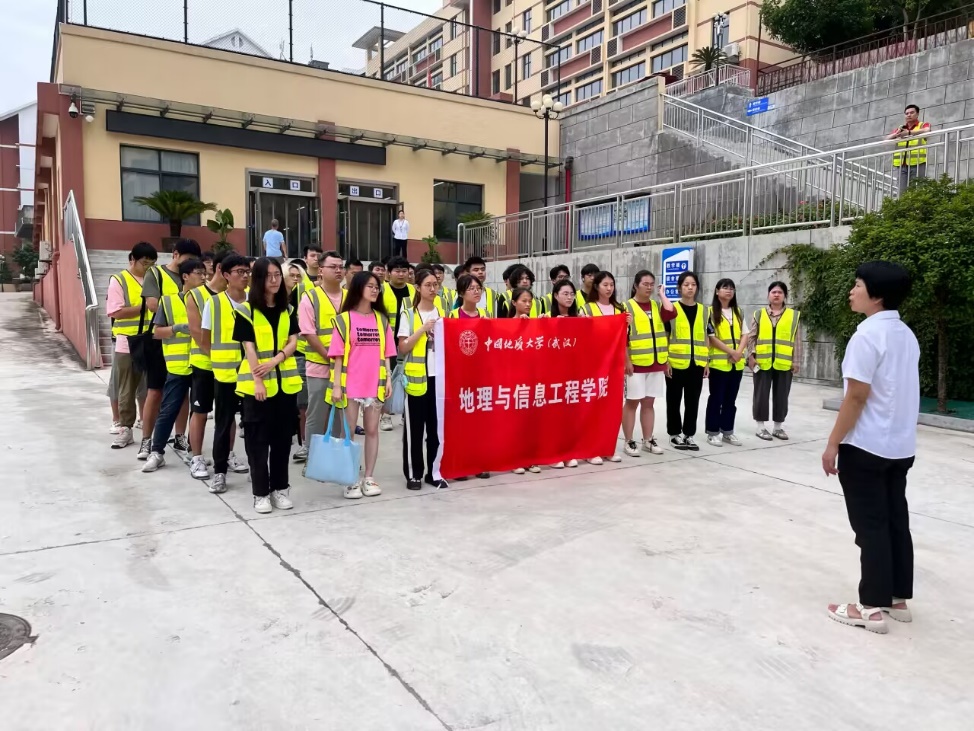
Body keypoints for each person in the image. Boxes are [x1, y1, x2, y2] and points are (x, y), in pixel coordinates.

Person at [823, 262, 919, 635]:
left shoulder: (866, 336)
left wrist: (833, 442)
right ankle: (897, 598)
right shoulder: (906, 335)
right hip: (900, 446)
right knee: (895, 520)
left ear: (876, 296)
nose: (852, 291)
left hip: (866, 446)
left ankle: (869, 607)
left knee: (871, 526)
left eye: (858, 285)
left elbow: (857, 396)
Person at [234, 257, 301, 514]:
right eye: (268, 276)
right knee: (258, 442)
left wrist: (275, 360)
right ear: (258, 279)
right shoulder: (246, 310)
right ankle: (260, 493)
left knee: (282, 441)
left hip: (285, 385)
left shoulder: (288, 309)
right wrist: (258, 380)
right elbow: (249, 348)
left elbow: (293, 342)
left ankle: (280, 489)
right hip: (258, 387)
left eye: (277, 275)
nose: (274, 280)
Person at [327, 271, 396, 499]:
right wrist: (337, 386)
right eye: (370, 286)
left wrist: (388, 378)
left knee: (372, 430)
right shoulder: (343, 319)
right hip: (350, 385)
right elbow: (337, 356)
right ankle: (350, 479)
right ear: (358, 288)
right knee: (349, 433)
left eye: (377, 287)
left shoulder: (382, 320)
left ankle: (368, 477)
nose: (375, 290)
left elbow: (387, 353)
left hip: (375, 384)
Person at [142, 259, 207, 473]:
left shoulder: (208, 300)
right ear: (185, 276)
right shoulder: (168, 301)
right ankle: (156, 452)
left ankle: (194, 453)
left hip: (201, 364)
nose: (203, 277)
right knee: (169, 409)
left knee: (198, 411)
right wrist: (177, 328)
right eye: (199, 273)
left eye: (205, 273)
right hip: (178, 366)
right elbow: (156, 332)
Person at [200, 254, 251, 494]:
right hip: (225, 375)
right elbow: (205, 340)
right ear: (226, 275)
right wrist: (219, 361)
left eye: (247, 271)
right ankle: (220, 472)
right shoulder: (214, 303)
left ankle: (256, 469)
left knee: (253, 425)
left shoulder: (255, 301)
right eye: (239, 272)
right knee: (223, 424)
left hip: (252, 375)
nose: (245, 276)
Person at [398, 270, 448, 490]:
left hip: (439, 379)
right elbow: (403, 347)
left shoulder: (443, 312)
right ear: (417, 287)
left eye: (435, 284)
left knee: (436, 430)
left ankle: (434, 472)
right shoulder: (408, 314)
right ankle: (414, 474)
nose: (433, 288)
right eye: (428, 285)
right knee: (415, 430)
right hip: (416, 379)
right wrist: (422, 329)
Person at [107, 242, 156, 449]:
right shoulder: (120, 280)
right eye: (144, 263)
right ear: (133, 260)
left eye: (152, 264)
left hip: (152, 339)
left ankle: (149, 429)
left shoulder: (155, 279)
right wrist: (146, 306)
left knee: (151, 388)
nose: (148, 267)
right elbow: (116, 312)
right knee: (126, 388)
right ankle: (125, 428)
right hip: (127, 342)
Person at [183, 249, 227, 479]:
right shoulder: (196, 295)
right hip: (204, 364)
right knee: (200, 411)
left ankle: (227, 455)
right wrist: (215, 357)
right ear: (220, 269)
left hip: (230, 366)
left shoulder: (238, 295)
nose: (243, 276)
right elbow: (197, 332)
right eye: (237, 271)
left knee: (227, 413)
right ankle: (197, 457)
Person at [623, 271, 676, 457]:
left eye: (652, 284)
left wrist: (662, 295)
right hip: (636, 364)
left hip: (656, 362)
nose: (649, 287)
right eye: (645, 284)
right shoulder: (626, 307)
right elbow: (623, 337)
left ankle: (647, 440)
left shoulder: (656, 305)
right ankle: (629, 441)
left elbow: (671, 312)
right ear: (636, 285)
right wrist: (627, 360)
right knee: (632, 403)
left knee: (649, 403)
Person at [446, 274, 491, 482]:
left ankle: (479, 463)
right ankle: (461, 465)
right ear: (462, 293)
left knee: (480, 423)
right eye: (471, 288)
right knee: (459, 423)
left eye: (478, 288)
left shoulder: (486, 314)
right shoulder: (453, 316)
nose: (476, 291)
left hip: (481, 375)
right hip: (459, 376)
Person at [300, 250, 346, 450]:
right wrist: (331, 358)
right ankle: (312, 455)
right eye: (333, 267)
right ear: (320, 270)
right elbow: (309, 333)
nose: (338, 270)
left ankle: (335, 456)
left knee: (340, 415)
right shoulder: (310, 297)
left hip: (345, 369)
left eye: (341, 267)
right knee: (316, 415)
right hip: (319, 366)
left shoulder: (350, 297)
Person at [580, 271, 625, 464]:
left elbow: (625, 338)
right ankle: (591, 450)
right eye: (605, 285)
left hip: (615, 365)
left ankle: (608, 447)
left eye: (612, 285)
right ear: (597, 286)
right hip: (594, 365)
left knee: (612, 408)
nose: (609, 288)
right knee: (594, 408)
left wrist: (627, 324)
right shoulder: (587, 308)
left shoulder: (619, 309)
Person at [749, 281, 801, 441]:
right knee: (760, 395)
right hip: (762, 362)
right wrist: (750, 356)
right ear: (768, 295)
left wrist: (796, 361)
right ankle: (760, 427)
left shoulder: (793, 316)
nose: (776, 295)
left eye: (780, 292)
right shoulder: (759, 314)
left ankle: (778, 428)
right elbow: (751, 337)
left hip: (784, 363)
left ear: (785, 295)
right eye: (773, 292)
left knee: (782, 396)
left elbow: (797, 340)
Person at [665, 271, 709, 452]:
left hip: (697, 364)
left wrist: (706, 362)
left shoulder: (704, 310)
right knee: (673, 400)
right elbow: (665, 336)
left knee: (693, 401)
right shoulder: (671, 309)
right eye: (686, 285)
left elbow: (706, 337)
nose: (690, 288)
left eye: (693, 284)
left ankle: (689, 434)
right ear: (679, 288)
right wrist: (665, 361)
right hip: (675, 363)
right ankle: (674, 434)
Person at [705, 279, 749, 447]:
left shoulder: (738, 312)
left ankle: (727, 431)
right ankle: (712, 432)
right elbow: (711, 337)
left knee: (731, 400)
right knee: (716, 399)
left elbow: (745, 334)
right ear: (717, 291)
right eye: (725, 288)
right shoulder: (710, 312)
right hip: (718, 364)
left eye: (732, 288)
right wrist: (732, 352)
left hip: (736, 364)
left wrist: (738, 352)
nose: (729, 291)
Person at [546, 279, 584, 470]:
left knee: (572, 415)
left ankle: (569, 452)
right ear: (555, 295)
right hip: (553, 374)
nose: (569, 297)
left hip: (574, 372)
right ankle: (554, 454)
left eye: (572, 294)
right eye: (565, 294)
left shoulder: (579, 318)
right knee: (554, 416)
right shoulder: (546, 317)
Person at [508, 288, 543, 475]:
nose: (528, 304)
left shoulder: (534, 323)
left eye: (530, 301)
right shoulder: (507, 325)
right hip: (514, 380)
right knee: (516, 422)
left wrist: (544, 324)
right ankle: (515, 459)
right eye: (524, 301)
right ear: (514, 303)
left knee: (531, 421)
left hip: (533, 379)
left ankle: (530, 458)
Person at [379, 257, 416, 432]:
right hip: (387, 342)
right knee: (388, 378)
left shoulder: (413, 290)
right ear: (389, 273)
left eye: (404, 271)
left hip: (409, 340)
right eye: (397, 271)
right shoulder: (381, 290)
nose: (401, 274)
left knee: (407, 378)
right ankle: (385, 415)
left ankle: (404, 414)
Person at [885, 104, 930, 196]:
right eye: (907, 113)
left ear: (917, 114)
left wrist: (908, 133)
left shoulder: (922, 125)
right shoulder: (900, 128)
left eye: (912, 113)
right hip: (901, 165)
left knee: (917, 191)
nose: (909, 115)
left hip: (917, 163)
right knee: (901, 193)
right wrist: (896, 134)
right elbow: (886, 139)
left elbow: (927, 130)